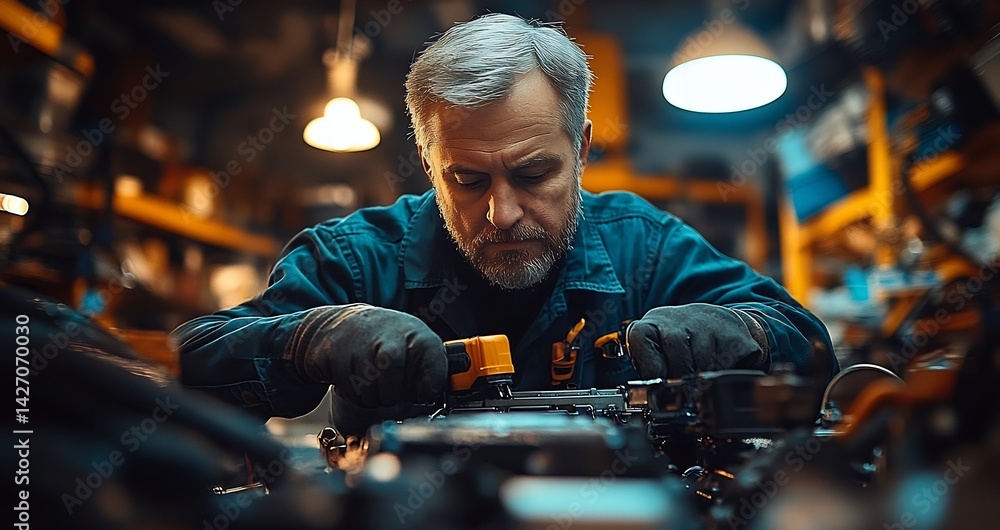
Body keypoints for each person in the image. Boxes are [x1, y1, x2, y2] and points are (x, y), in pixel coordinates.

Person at [172, 13, 838, 434]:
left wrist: (742, 330)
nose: (503, 212)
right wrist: (307, 338)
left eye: (532, 174)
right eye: (467, 179)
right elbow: (184, 367)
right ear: (428, 162)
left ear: (579, 150)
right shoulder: (356, 261)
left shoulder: (643, 248)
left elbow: (811, 349)